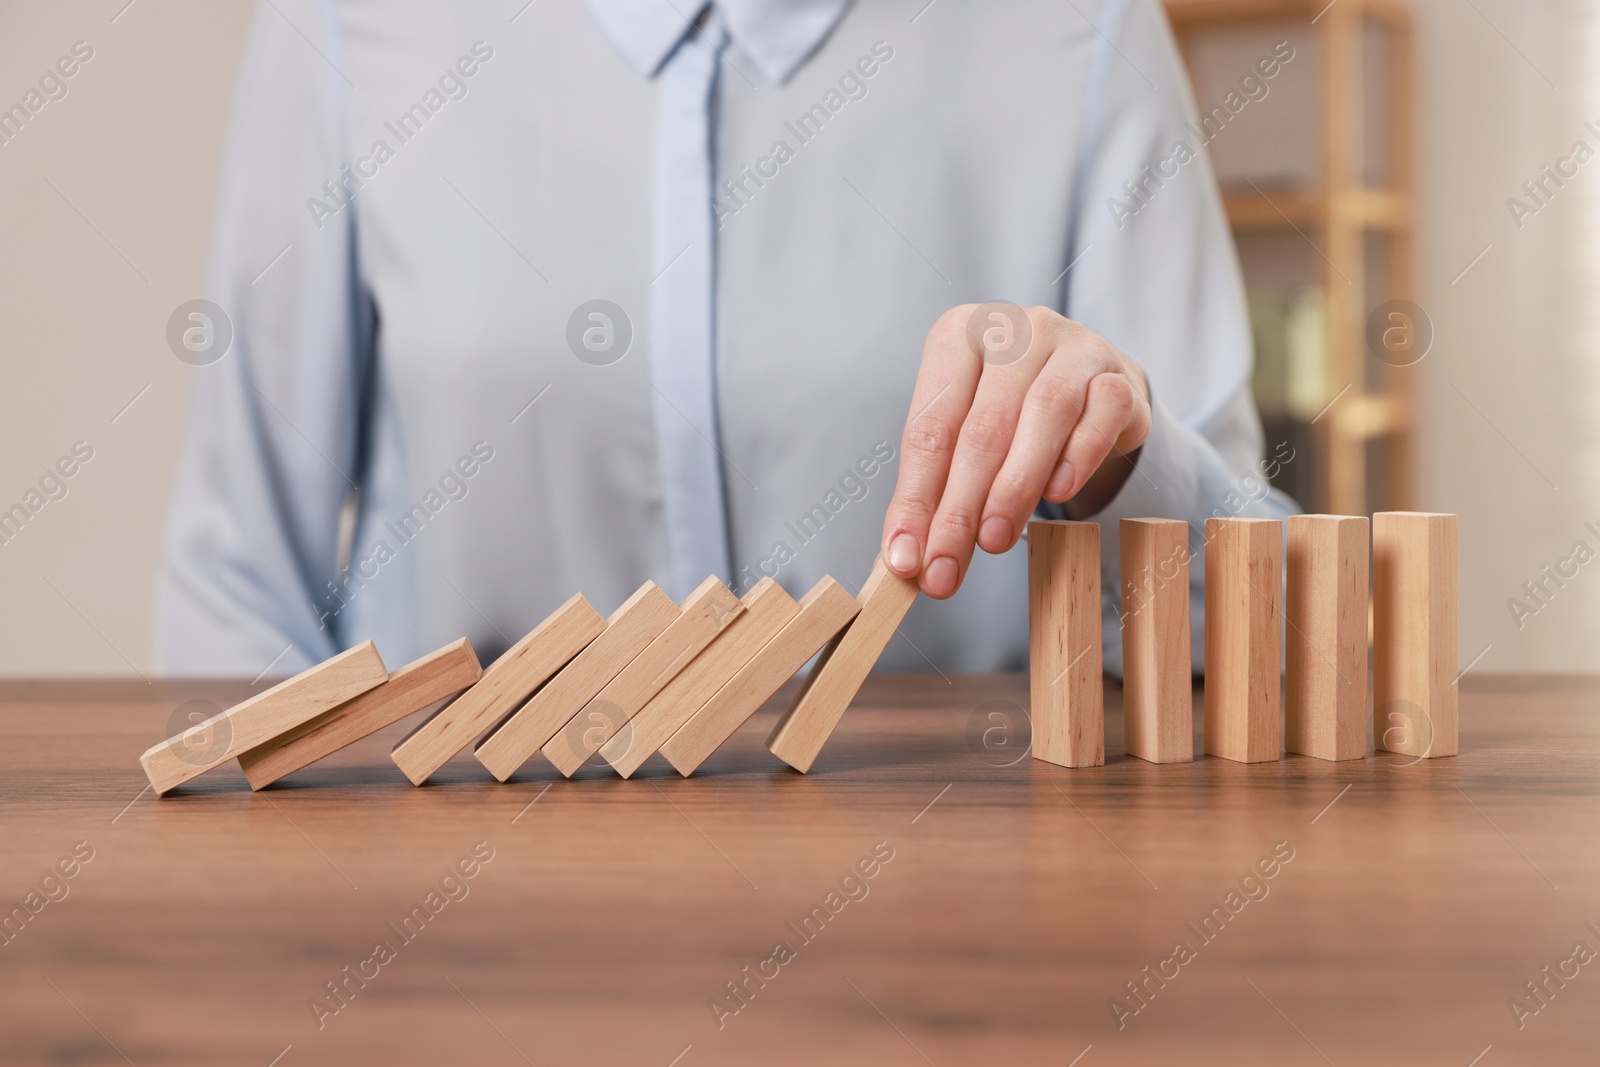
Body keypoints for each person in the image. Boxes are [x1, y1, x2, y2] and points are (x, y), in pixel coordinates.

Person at [157, 0, 1295, 678]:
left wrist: (1118, 462)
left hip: (951, 928)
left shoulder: (1076, 31)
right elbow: (236, 587)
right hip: (454, 932)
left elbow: (1257, 607)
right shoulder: (355, 27)